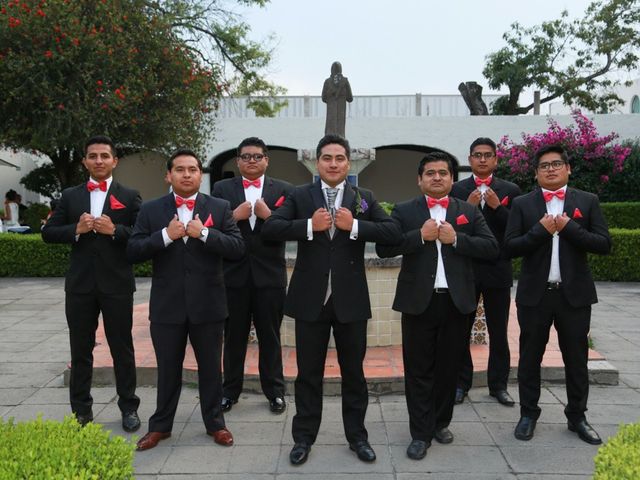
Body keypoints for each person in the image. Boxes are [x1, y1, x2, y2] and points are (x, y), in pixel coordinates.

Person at [262, 134, 400, 465]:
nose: (333, 163)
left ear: (348, 163)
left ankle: (358, 437)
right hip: (310, 299)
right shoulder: (299, 195)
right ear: (317, 162)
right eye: (327, 158)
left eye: (339, 158)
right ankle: (304, 438)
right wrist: (309, 225)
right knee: (308, 373)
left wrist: (356, 227)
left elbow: (392, 233)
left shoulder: (362, 198)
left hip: (351, 300)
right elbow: (271, 229)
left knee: (354, 373)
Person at [376, 152, 498, 461]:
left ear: (452, 179)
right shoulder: (404, 211)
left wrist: (456, 239)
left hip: (457, 303)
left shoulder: (468, 212)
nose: (437, 177)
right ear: (419, 180)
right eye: (430, 173)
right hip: (419, 302)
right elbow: (383, 246)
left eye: (443, 172)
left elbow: (491, 248)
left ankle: (440, 423)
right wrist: (419, 236)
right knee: (418, 371)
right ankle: (420, 433)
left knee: (448, 370)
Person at [128, 149, 244, 451]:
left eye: (193, 169)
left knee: (210, 369)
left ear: (200, 174)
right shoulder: (152, 210)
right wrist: (165, 236)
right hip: (167, 306)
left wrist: (204, 233)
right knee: (167, 369)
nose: (187, 174)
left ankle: (215, 424)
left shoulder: (219, 207)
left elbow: (236, 248)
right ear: (169, 175)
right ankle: (160, 427)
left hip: (209, 304)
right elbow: (133, 249)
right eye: (180, 169)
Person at [504, 144, 611, 445]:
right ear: (536, 173)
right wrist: (539, 231)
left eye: (556, 164)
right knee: (529, 358)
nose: (550, 169)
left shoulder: (587, 201)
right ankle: (528, 414)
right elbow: (509, 247)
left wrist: (569, 227)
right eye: (544, 166)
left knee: (576, 360)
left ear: (568, 168)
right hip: (535, 296)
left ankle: (577, 416)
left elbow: (604, 243)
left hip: (573, 296)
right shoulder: (523, 204)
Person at [41, 135, 142, 432]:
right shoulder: (70, 196)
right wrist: (76, 228)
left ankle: (129, 408)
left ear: (115, 161)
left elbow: (140, 234)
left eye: (104, 156)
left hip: (117, 284)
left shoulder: (130, 194)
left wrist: (116, 230)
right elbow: (48, 233)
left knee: (122, 348)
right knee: (80, 349)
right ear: (85, 161)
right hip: (80, 285)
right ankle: (81, 411)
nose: (99, 160)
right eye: (93, 156)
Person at [212, 137, 293, 414]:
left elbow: (288, 231)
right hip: (232, 275)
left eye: (257, 156)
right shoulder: (221, 188)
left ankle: (275, 392)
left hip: (269, 277)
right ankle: (229, 391)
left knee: (270, 337)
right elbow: (213, 229)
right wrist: (234, 215)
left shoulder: (284, 189)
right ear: (238, 161)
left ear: (266, 160)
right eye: (246, 156)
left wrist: (268, 215)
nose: (252, 161)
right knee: (233, 337)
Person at [450, 137, 522, 406]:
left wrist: (498, 207)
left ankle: (499, 385)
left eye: (487, 155)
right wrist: (468, 207)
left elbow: (516, 229)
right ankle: (461, 383)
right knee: (461, 331)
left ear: (495, 160)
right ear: (469, 159)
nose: (482, 159)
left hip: (497, 270)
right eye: (477, 155)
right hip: (465, 270)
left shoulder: (510, 190)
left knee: (499, 333)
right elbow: (451, 231)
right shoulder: (457, 189)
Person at [321, 61, 353, 136]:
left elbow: (350, 98)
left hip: (337, 118)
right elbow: (323, 98)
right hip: (334, 118)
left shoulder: (343, 82)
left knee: (336, 135)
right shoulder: (330, 82)